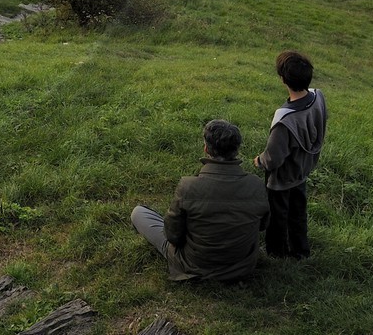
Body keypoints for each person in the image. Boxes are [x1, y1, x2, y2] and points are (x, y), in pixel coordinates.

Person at [131, 119, 270, 282]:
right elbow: (262, 226)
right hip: (242, 266)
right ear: (237, 150)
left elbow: (172, 236)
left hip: (195, 265)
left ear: (206, 148)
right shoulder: (256, 184)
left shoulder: (188, 186)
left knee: (139, 213)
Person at [254, 50, 327, 259]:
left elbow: (274, 156)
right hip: (302, 168)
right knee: (298, 212)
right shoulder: (318, 97)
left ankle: (277, 253)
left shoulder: (284, 119)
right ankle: (301, 251)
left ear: (283, 79)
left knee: (278, 215)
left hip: (282, 177)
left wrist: (260, 161)